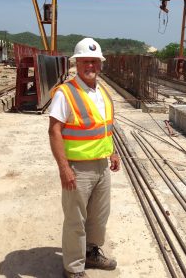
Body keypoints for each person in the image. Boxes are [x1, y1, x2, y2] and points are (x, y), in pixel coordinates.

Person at [48, 38, 120, 278]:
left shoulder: (102, 91)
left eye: (95, 61)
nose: (91, 65)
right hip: (77, 168)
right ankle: (73, 268)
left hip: (101, 165)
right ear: (76, 63)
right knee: (75, 220)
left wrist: (113, 151)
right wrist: (63, 168)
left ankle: (91, 252)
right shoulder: (65, 93)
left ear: (100, 64)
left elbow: (105, 126)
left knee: (99, 217)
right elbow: (54, 130)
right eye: (86, 61)